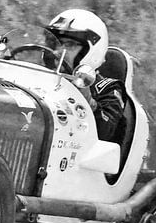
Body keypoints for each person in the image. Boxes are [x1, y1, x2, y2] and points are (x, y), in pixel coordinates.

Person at [42, 9, 126, 141]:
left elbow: (106, 131)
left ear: (91, 51)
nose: (58, 51)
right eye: (54, 43)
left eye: (69, 45)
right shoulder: (39, 75)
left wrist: (89, 102)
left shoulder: (108, 88)